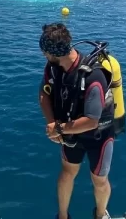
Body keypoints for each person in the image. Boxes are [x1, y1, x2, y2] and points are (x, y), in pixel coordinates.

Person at [38, 23, 115, 219]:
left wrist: (58, 129)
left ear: (55, 52)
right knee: (67, 173)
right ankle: (63, 216)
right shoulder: (53, 68)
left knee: (99, 180)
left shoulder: (93, 77)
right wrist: (52, 123)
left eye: (45, 52)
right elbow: (44, 93)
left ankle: (100, 215)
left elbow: (92, 121)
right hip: (71, 135)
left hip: (98, 137)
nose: (44, 55)